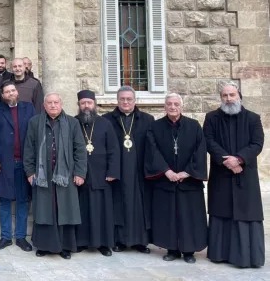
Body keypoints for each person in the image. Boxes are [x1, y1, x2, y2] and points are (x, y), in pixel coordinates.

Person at [204, 82, 265, 268]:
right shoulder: (212, 117)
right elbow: (208, 140)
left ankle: (248, 257)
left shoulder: (253, 118)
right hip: (222, 173)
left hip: (245, 174)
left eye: (232, 95)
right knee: (222, 211)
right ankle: (220, 254)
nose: (228, 99)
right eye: (224, 95)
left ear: (239, 96)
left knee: (246, 213)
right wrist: (227, 162)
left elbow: (257, 143)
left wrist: (239, 159)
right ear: (221, 98)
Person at [145, 93, 207, 264]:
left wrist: (186, 172)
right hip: (166, 180)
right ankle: (171, 249)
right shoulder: (155, 127)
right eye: (169, 104)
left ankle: (189, 251)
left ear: (182, 106)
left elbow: (200, 151)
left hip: (189, 181)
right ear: (164, 106)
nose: (173, 107)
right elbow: (152, 151)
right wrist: (167, 171)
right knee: (168, 216)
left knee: (189, 216)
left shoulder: (194, 126)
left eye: (176, 104)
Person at [24, 92, 86, 259]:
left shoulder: (72, 123)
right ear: (44, 105)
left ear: (61, 104)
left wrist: (80, 173)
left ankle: (65, 247)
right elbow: (29, 148)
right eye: (49, 103)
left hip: (65, 175)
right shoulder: (34, 122)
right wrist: (30, 171)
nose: (53, 105)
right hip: (42, 175)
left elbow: (80, 150)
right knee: (45, 210)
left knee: (63, 210)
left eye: (56, 102)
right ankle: (44, 246)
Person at [102, 86, 153, 254]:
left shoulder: (147, 119)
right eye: (122, 99)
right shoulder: (107, 120)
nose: (125, 102)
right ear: (117, 101)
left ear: (135, 100)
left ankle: (141, 241)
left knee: (139, 205)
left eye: (129, 99)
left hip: (139, 171)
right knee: (119, 204)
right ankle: (120, 240)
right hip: (118, 171)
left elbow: (153, 146)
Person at [0, 81, 35, 252]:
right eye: (7, 92)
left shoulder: (28, 108)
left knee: (23, 200)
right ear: (2, 95)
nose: (11, 93)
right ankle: (6, 237)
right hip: (4, 163)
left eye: (13, 90)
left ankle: (21, 237)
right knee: (5, 201)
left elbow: (35, 134)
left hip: (25, 163)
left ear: (17, 92)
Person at [74, 90, 120, 256]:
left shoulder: (105, 123)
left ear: (94, 104)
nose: (86, 106)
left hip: (102, 174)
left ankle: (103, 244)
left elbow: (114, 149)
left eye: (89, 103)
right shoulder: (73, 123)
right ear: (79, 105)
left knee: (102, 210)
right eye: (83, 103)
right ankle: (81, 242)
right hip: (80, 175)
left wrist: (112, 171)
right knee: (82, 209)